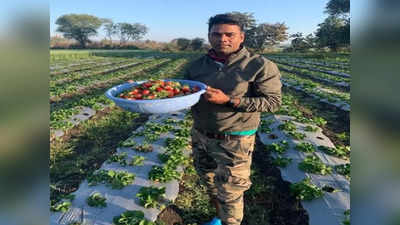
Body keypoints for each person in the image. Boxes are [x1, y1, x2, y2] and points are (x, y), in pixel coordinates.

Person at [184, 13, 282, 225]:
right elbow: (183, 93)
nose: (223, 39)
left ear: (241, 37)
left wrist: (229, 100)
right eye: (216, 34)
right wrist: (148, 88)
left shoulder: (260, 65)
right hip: (201, 135)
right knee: (209, 180)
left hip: (235, 139)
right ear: (209, 36)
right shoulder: (196, 67)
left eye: (229, 34)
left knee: (231, 191)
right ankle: (219, 218)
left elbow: (272, 102)